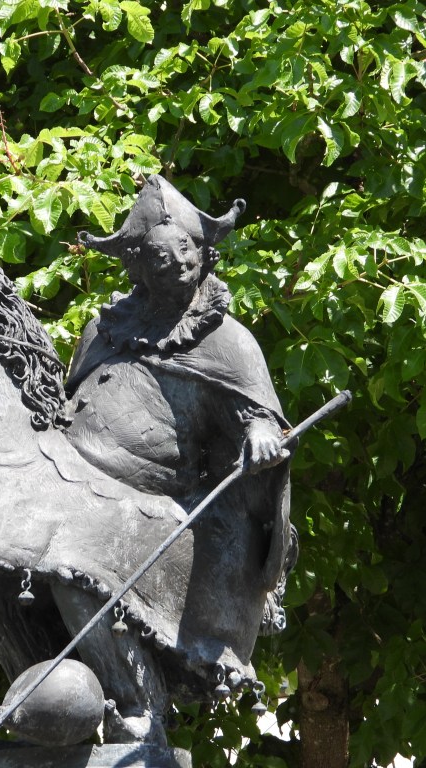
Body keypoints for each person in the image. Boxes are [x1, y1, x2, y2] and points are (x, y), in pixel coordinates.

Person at [53, 175, 297, 742]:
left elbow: (260, 416)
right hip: (68, 485)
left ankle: (136, 705)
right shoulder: (103, 329)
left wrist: (261, 432)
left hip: (155, 509)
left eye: (186, 249)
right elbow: (67, 400)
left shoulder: (226, 338)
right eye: (161, 258)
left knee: (72, 570)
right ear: (139, 266)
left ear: (203, 250)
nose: (179, 264)